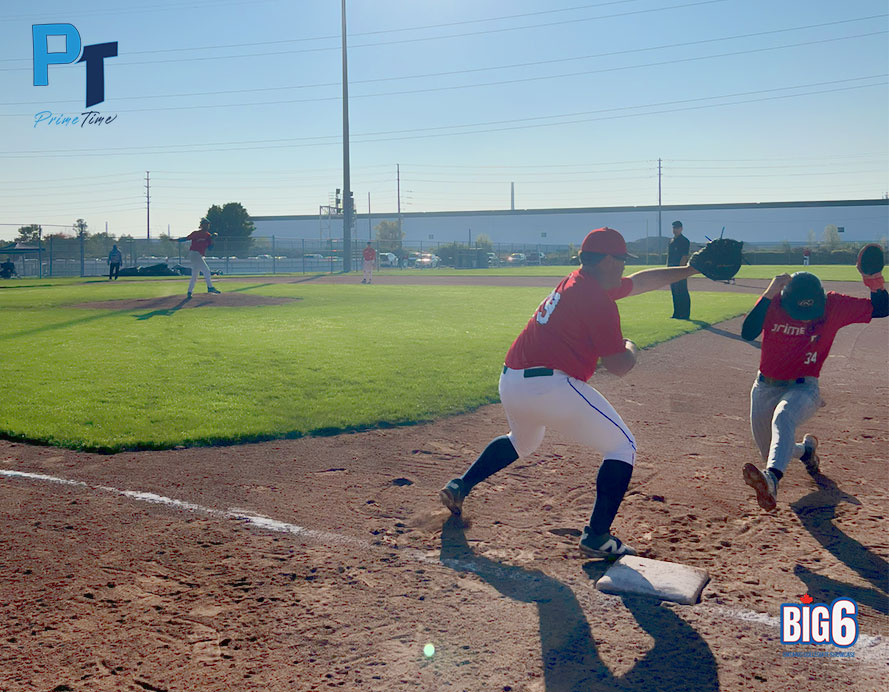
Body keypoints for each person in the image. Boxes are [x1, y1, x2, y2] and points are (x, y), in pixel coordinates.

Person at [439, 227, 702, 557]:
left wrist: (691, 269)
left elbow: (641, 282)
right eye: (621, 259)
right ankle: (597, 536)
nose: (624, 265)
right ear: (606, 260)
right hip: (549, 387)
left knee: (522, 441)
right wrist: (631, 347)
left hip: (512, 381)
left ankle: (460, 485)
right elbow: (618, 365)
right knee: (622, 446)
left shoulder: (578, 281)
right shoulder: (597, 300)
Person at [739, 270, 888, 511]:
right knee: (772, 450)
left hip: (804, 387)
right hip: (765, 387)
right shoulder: (774, 301)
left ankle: (772, 479)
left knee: (784, 416)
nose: (805, 320)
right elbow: (747, 332)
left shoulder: (833, 304)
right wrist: (769, 292)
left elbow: (882, 308)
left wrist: (874, 280)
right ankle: (806, 452)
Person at [177, 218, 221, 298]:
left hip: (199, 255)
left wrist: (213, 239)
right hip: (194, 253)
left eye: (208, 224)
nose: (207, 226)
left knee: (195, 275)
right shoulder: (196, 233)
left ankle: (189, 292)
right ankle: (210, 287)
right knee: (206, 270)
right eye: (205, 224)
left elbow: (210, 248)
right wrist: (176, 240)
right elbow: (186, 238)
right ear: (201, 225)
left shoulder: (208, 236)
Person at [667, 220, 691, 319]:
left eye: (677, 228)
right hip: (671, 269)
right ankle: (676, 313)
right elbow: (669, 256)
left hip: (679, 270)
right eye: (674, 228)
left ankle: (685, 314)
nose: (675, 230)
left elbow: (684, 256)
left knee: (682, 291)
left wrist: (680, 270)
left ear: (681, 229)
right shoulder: (671, 241)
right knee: (674, 291)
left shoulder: (684, 241)